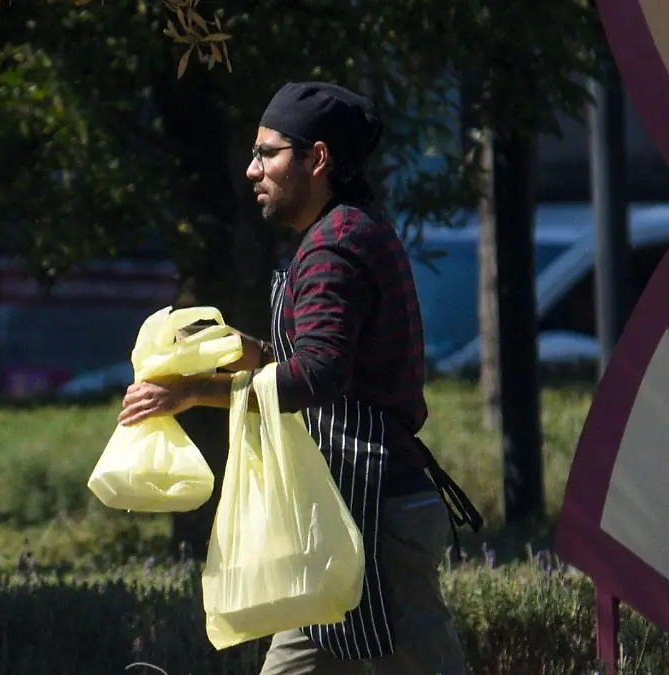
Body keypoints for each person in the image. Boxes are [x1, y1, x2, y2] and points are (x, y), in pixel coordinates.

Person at [117, 81, 482, 675]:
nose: (250, 169)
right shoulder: (339, 234)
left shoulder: (336, 247)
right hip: (339, 511)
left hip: (377, 517)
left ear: (316, 159)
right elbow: (324, 360)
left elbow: (318, 376)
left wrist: (190, 393)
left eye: (267, 153)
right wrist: (248, 351)